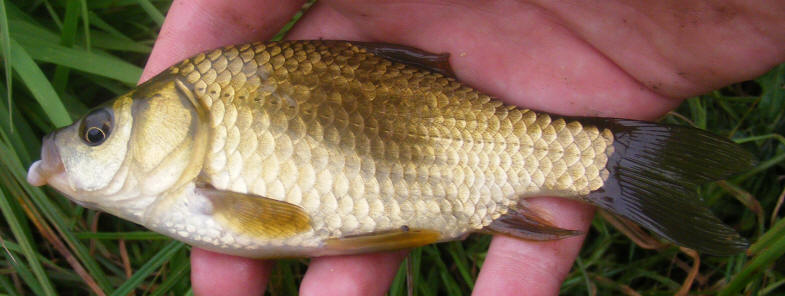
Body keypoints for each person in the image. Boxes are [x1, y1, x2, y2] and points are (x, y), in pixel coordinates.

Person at [139, 1, 785, 295]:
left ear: (171, 121)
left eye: (97, 133)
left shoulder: (205, 105)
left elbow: (279, 224)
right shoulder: (209, 86)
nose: (87, 145)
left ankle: (616, 161)